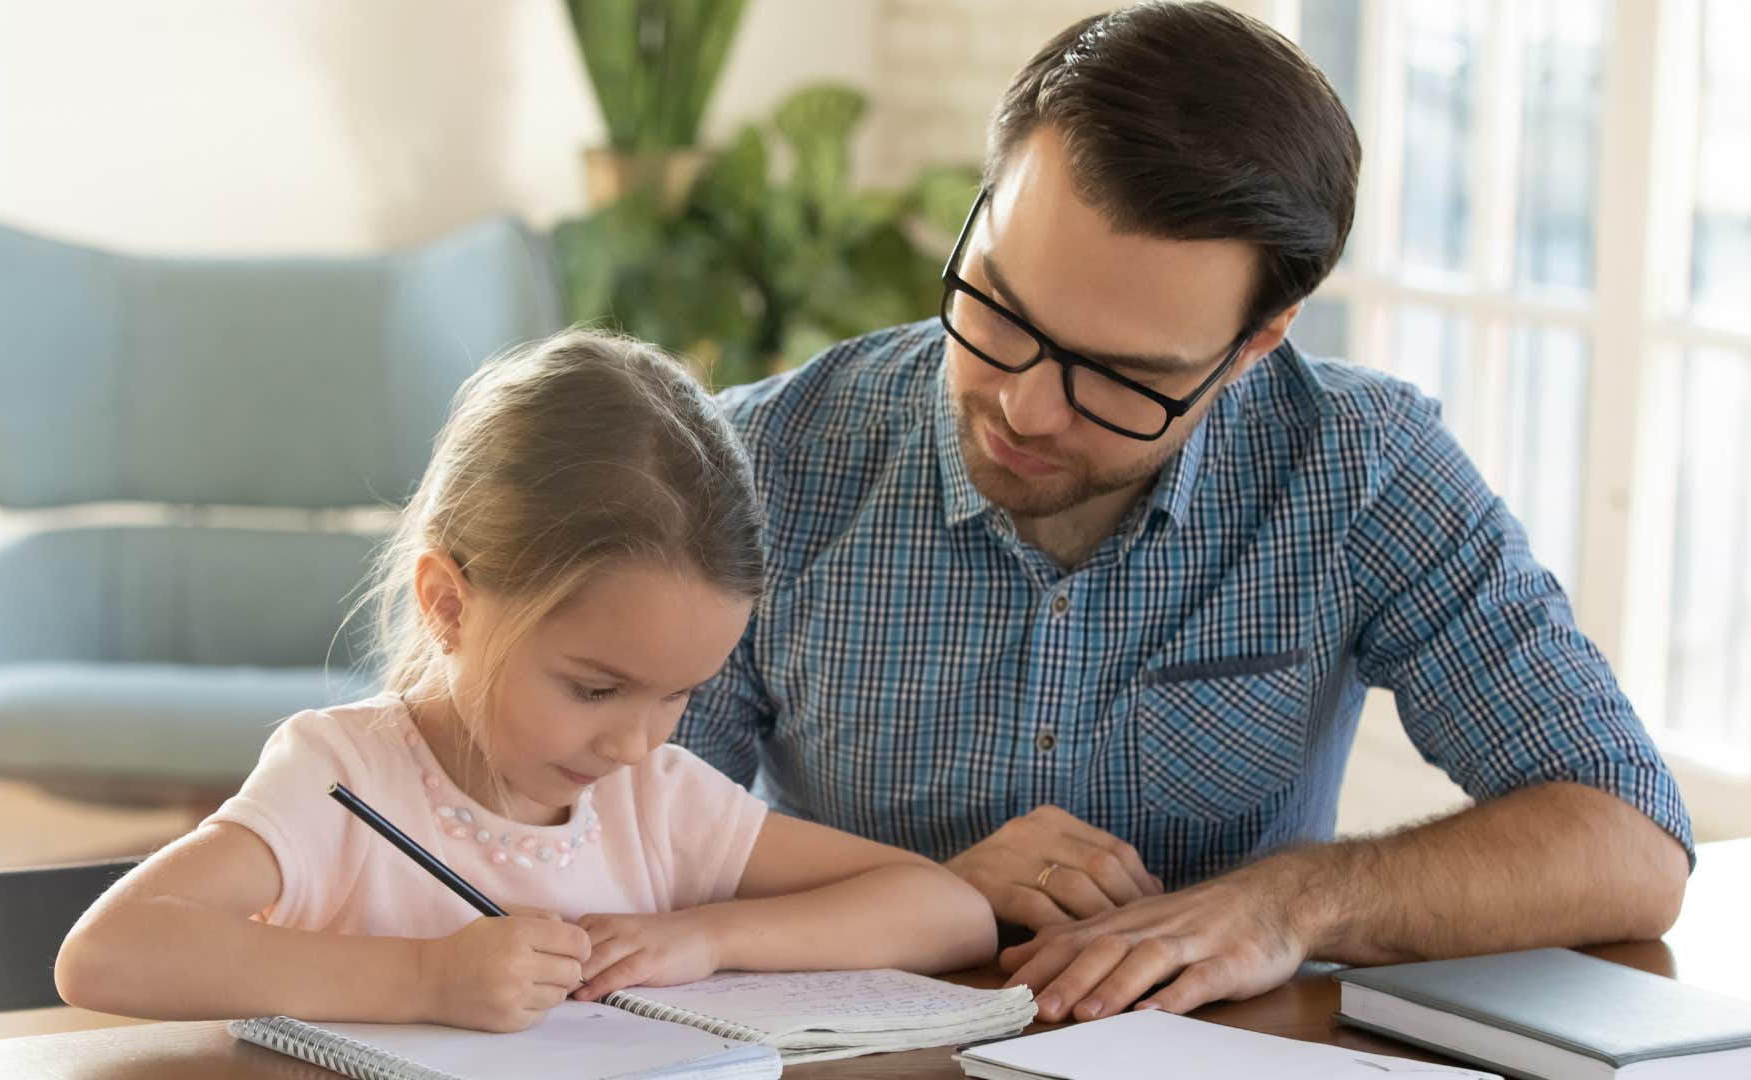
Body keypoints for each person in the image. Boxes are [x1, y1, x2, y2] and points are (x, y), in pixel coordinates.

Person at [677, 1, 1692, 1024]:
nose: (1022, 407)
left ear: (1257, 342)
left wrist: (1291, 901)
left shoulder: (1360, 471)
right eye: (1000, 307)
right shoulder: (762, 464)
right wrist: (924, 899)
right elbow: (577, 852)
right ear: (982, 211)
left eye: (1122, 376)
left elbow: (1628, 843)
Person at [55, 330, 996, 1033]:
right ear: (450, 604)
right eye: (596, 689)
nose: (637, 742)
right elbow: (109, 953)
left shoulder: (653, 804)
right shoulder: (340, 780)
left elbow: (950, 915)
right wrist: (425, 982)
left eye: (680, 696)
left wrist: (708, 938)